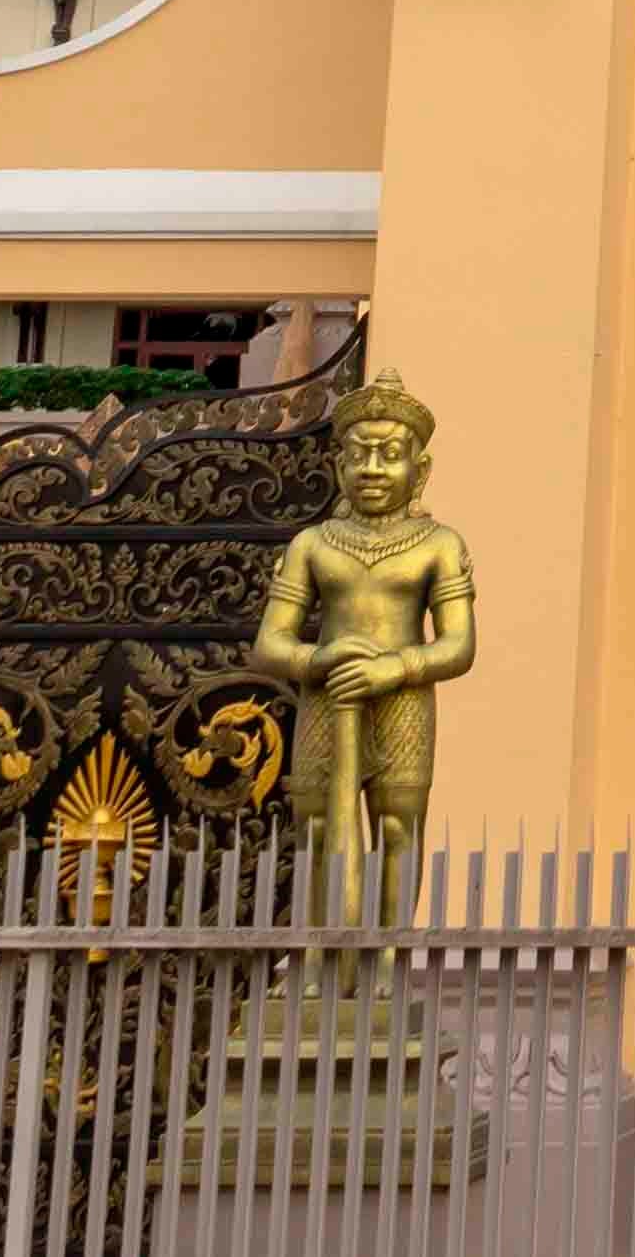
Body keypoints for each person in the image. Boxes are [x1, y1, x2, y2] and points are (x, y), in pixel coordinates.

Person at [250, 376, 479, 891]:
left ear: (420, 471)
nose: (372, 468)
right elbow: (270, 643)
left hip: (403, 699)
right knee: (315, 827)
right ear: (340, 468)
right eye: (359, 455)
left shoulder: (439, 545)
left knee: (397, 829)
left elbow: (459, 645)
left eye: (390, 455)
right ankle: (319, 939)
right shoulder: (312, 544)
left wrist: (396, 667)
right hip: (327, 694)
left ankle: (391, 943)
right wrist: (317, 660)